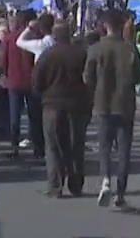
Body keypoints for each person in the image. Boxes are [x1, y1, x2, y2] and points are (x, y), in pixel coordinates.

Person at [84, 10, 140, 210]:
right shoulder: (130, 49)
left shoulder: (95, 49)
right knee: (124, 150)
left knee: (104, 147)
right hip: (125, 104)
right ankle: (120, 193)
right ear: (121, 26)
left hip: (103, 104)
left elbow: (87, 78)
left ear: (104, 26)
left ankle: (105, 180)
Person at [32, 24, 90, 198]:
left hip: (52, 105)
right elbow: (89, 78)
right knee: (76, 145)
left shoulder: (46, 56)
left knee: (53, 147)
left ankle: (55, 186)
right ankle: (76, 185)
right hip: (76, 105)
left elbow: (36, 83)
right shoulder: (81, 54)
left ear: (54, 37)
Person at [0, 10, 40, 160]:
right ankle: (38, 148)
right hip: (32, 81)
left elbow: (2, 61)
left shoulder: (9, 38)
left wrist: (2, 75)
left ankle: (14, 147)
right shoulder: (36, 37)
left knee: (14, 116)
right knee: (34, 116)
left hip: (13, 81)